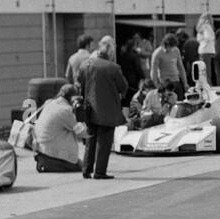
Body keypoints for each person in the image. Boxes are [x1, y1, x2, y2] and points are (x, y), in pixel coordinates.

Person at [79, 37, 128, 179]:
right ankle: (100, 171)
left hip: (89, 109)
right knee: (104, 142)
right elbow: (123, 87)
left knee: (90, 140)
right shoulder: (113, 68)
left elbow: (80, 84)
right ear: (110, 53)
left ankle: (86, 169)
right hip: (107, 110)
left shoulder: (85, 65)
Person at [33, 83, 86, 172]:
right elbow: (82, 133)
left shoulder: (50, 104)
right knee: (85, 167)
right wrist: (85, 121)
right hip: (55, 154)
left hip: (43, 151)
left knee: (81, 163)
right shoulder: (65, 110)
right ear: (73, 98)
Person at [151, 31, 187, 98]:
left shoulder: (176, 50)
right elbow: (154, 70)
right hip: (165, 83)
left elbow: (181, 67)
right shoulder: (157, 53)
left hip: (176, 81)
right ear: (165, 44)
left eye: (173, 47)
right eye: (170, 47)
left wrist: (185, 83)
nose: (171, 49)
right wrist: (157, 85)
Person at [118, 37, 145, 103]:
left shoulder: (122, 55)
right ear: (133, 46)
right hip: (133, 81)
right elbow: (138, 68)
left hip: (124, 79)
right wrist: (143, 76)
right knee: (133, 100)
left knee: (125, 100)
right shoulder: (135, 56)